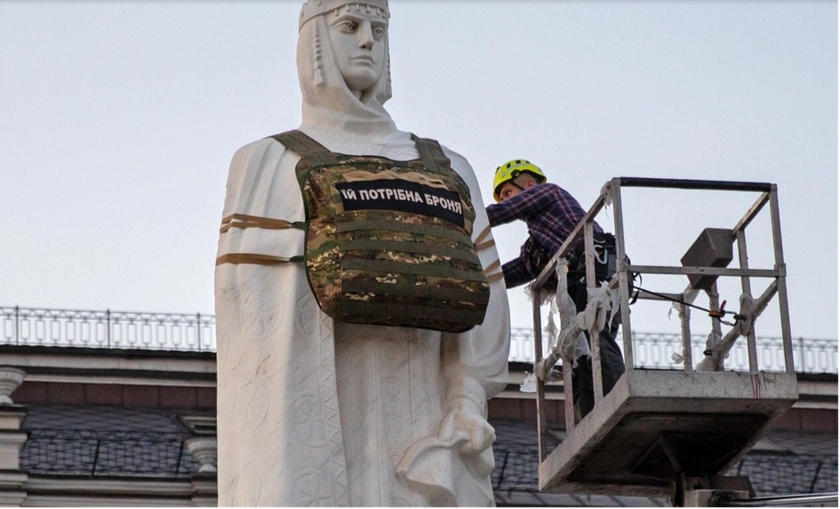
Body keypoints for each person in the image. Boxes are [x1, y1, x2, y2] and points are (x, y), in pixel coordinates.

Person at [214, 1, 510, 507]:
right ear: (314, 41)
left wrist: (467, 395)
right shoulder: (267, 162)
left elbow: (486, 303)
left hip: (423, 425)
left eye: (378, 27)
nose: (368, 40)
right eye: (349, 26)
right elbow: (248, 322)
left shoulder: (448, 168)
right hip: (322, 426)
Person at [485, 159, 625, 418]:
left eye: (508, 193)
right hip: (584, 283)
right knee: (581, 355)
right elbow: (518, 270)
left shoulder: (549, 193)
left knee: (596, 340)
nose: (505, 200)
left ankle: (618, 404)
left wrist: (457, 216)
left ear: (528, 184)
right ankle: (591, 419)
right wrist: (478, 278)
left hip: (595, 271)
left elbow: (498, 214)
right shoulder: (539, 243)